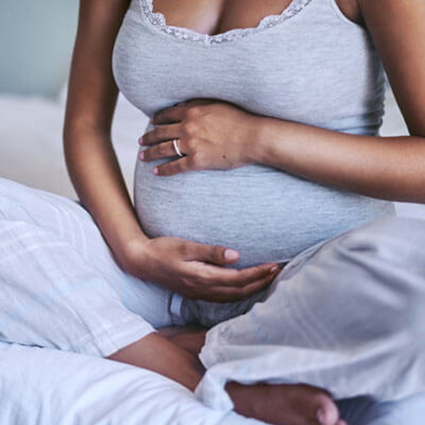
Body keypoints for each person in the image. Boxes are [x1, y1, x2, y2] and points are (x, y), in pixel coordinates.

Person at [1, 0, 425, 424]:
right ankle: (184, 363)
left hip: (307, 282)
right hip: (151, 280)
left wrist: (256, 139)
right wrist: (134, 249)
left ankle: (201, 342)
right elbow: (85, 126)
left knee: (414, 282)